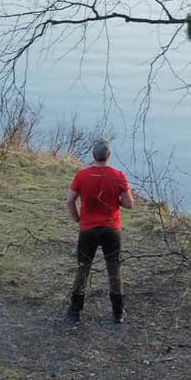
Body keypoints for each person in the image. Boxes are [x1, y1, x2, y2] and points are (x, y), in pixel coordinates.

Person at [67, 139, 133, 324]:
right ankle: (118, 312)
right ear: (108, 156)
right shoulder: (118, 175)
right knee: (114, 269)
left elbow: (69, 200)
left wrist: (77, 218)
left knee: (83, 268)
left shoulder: (81, 175)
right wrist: (117, 201)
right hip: (111, 229)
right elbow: (129, 203)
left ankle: (75, 311)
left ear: (93, 155)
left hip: (88, 230)